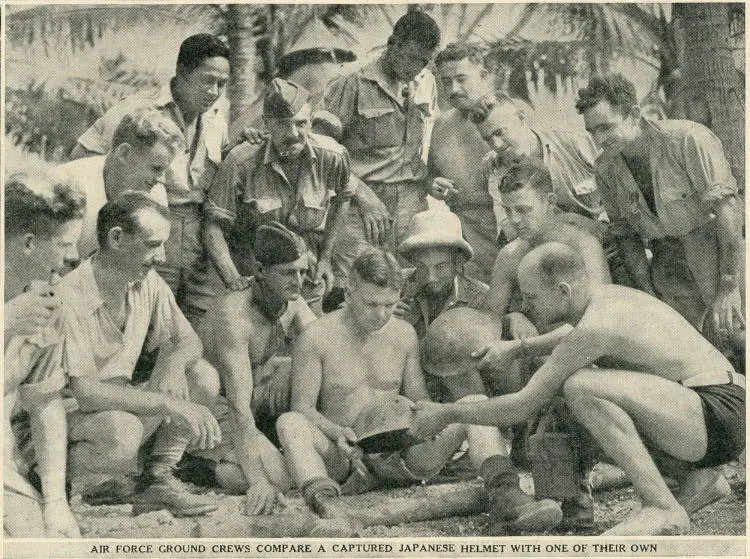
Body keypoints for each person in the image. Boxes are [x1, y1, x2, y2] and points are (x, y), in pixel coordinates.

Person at [411, 242, 744, 535]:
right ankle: (695, 481)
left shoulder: (596, 327)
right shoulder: (604, 298)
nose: (526, 307)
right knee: (576, 393)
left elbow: (522, 405)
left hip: (716, 411)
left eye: (531, 297)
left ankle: (660, 505)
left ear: (563, 291)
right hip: (713, 410)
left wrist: (446, 413)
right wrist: (519, 348)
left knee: (580, 387)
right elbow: (571, 333)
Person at [277, 250, 562, 534]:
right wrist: (336, 432)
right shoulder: (315, 337)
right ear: (350, 291)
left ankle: (508, 498)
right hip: (342, 458)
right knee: (289, 422)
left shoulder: (403, 334)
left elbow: (418, 397)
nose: (380, 314)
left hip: (399, 455)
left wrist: (429, 419)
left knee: (473, 403)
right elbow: (303, 408)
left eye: (389, 305)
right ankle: (330, 511)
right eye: (370, 303)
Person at [58, 192, 223, 517]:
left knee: (201, 376)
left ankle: (156, 479)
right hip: (67, 417)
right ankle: (70, 483)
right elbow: (87, 394)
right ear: (116, 238)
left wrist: (175, 362)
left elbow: (189, 341)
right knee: (123, 433)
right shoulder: (70, 294)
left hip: (118, 406)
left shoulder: (146, 282)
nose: (161, 256)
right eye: (152, 244)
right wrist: (167, 402)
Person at [575, 73, 745, 351]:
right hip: (668, 266)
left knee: (740, 338)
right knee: (692, 353)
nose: (599, 139)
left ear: (633, 115)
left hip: (719, 253)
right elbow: (625, 233)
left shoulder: (688, 139)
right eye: (592, 131)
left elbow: (728, 211)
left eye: (606, 127)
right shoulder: (605, 168)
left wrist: (729, 287)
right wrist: (647, 293)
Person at [71, 34, 231, 322]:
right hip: (151, 226)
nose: (215, 91)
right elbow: (82, 158)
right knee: (145, 318)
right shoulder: (138, 110)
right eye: (208, 80)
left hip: (200, 234)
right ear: (182, 72)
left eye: (222, 83)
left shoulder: (217, 118)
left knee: (194, 322)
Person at [190, 222, 316, 514]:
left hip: (255, 399)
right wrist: (258, 481)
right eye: (288, 272)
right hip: (216, 407)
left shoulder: (291, 300)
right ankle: (196, 464)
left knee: (301, 366)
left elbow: (325, 349)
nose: (298, 281)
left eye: (302, 271)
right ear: (260, 271)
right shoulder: (234, 316)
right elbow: (238, 406)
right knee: (279, 478)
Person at [204, 78, 353, 313]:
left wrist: (325, 258)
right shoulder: (241, 161)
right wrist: (234, 280)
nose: (293, 133)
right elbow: (213, 227)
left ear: (311, 122)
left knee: (308, 341)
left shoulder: (332, 155)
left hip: (306, 276)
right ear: (267, 124)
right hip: (255, 277)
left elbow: (343, 199)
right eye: (283, 125)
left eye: (301, 124)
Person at [324, 11, 441, 286]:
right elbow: (323, 151)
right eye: (411, 57)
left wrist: (431, 180)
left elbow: (424, 144)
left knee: (410, 285)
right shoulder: (352, 81)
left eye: (424, 61)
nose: (416, 67)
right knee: (358, 286)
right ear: (393, 43)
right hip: (360, 203)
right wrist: (363, 196)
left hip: (412, 203)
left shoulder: (427, 82)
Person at [4, 174, 85, 537]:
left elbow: (45, 403)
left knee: (42, 538)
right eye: (65, 244)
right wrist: (5, 321)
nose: (74, 257)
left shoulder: (46, 299)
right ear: (29, 243)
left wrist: (55, 502)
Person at [483, 158, 611, 320]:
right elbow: (489, 318)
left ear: (550, 201)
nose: (514, 219)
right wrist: (512, 319)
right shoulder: (510, 255)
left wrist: (526, 345)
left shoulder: (584, 245)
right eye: (508, 210)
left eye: (523, 210)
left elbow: (601, 313)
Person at [471, 95, 606, 244]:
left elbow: (618, 184)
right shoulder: (497, 172)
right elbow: (510, 229)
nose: (496, 145)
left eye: (499, 132)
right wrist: (567, 220)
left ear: (521, 119)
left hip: (607, 239)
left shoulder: (574, 142)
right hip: (553, 250)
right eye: (488, 139)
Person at [56, 109, 180, 258]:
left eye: (164, 171)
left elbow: (149, 266)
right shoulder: (67, 184)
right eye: (156, 168)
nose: (161, 179)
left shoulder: (155, 193)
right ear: (124, 153)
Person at [426, 43, 501, 282]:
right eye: (446, 82)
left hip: (504, 227)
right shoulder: (441, 125)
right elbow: (430, 174)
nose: (453, 89)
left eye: (461, 79)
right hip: (463, 232)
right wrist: (433, 184)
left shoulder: (505, 115)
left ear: (483, 76)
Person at [396, 208, 488, 342]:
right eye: (422, 267)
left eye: (440, 267)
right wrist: (383, 319)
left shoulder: (479, 299)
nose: (431, 277)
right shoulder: (395, 285)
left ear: (458, 262)